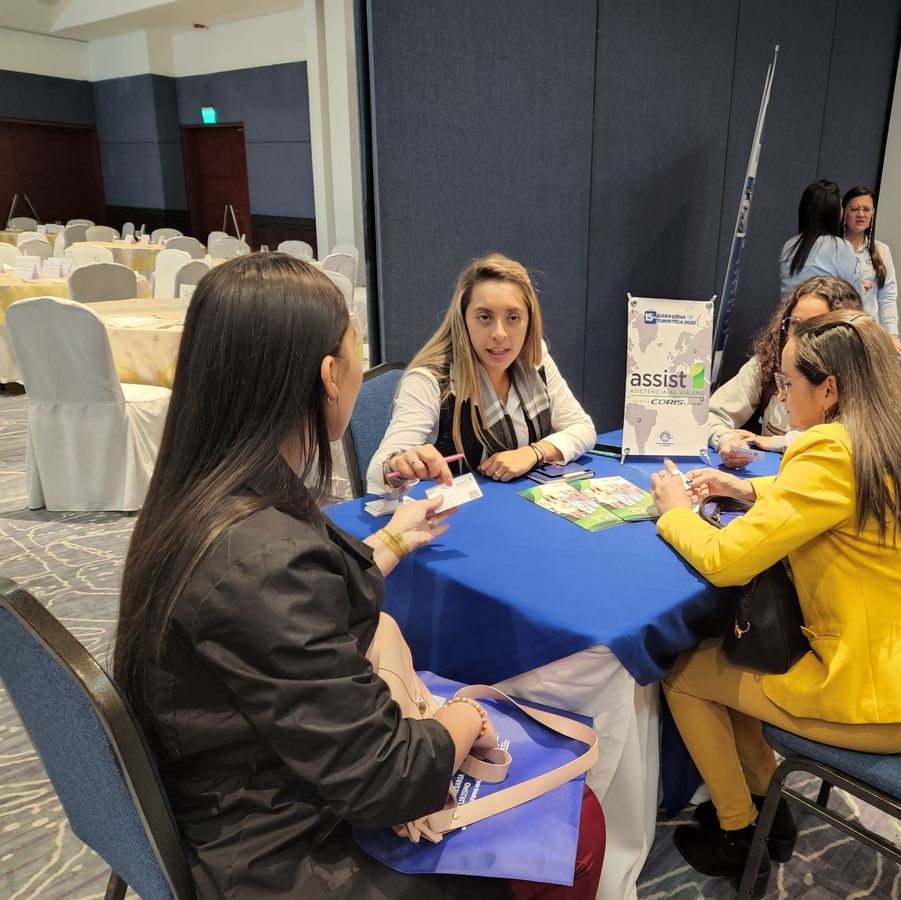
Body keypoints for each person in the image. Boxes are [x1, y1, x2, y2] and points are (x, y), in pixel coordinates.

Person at [111, 254, 604, 899]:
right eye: (355, 348)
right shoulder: (261, 556)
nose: (500, 332)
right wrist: (466, 717)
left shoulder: (206, 498)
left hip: (241, 789)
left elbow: (304, 613)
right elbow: (389, 779)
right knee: (581, 825)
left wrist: (395, 538)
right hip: (286, 854)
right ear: (329, 375)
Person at [648, 310, 901, 890]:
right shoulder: (900, 436)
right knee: (735, 661)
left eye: (786, 383)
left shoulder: (829, 450)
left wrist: (675, 513)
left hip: (885, 704)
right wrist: (746, 487)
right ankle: (768, 810)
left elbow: (727, 562)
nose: (781, 396)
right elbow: (834, 497)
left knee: (684, 673)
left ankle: (739, 834)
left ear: (828, 389)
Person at [368, 253, 595, 494]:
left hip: (517, 503)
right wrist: (397, 466)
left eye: (513, 317)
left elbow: (582, 427)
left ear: (529, 320)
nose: (499, 333)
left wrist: (533, 452)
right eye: (485, 317)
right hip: (457, 511)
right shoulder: (429, 380)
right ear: (463, 320)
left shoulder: (534, 357)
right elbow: (377, 472)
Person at [707, 275, 861, 467]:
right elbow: (710, 414)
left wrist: (775, 442)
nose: (801, 335)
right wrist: (728, 440)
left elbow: (848, 441)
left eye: (815, 325)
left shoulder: (858, 380)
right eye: (796, 323)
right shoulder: (767, 363)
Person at [841, 185, 901, 353]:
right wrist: (856, 284)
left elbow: (888, 297)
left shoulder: (881, 250)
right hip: (837, 332)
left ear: (872, 213)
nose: (861, 214)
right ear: (844, 212)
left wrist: (892, 334)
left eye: (866, 209)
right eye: (854, 209)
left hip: (869, 333)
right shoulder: (832, 247)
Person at [779, 180, 863, 299]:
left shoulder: (789, 245)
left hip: (790, 310)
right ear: (834, 213)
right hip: (823, 311)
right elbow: (856, 295)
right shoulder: (839, 247)